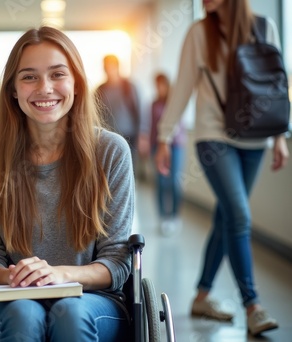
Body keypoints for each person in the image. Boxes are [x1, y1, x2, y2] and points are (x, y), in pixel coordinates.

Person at [0, 26, 134, 341]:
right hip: (10, 299)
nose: (45, 88)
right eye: (29, 77)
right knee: (25, 314)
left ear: (77, 83)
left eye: (57, 74)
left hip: (91, 302)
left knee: (70, 313)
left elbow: (116, 261)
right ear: (12, 89)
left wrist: (59, 275)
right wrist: (19, 277)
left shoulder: (111, 152)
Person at [154, 0, 289, 336]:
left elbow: (274, 84)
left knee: (226, 215)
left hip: (255, 138)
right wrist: (164, 138)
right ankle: (253, 305)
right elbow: (182, 87)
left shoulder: (264, 27)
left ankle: (201, 296)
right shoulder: (199, 32)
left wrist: (280, 135)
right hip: (214, 137)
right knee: (239, 215)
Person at [95, 54, 148, 170]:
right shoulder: (100, 89)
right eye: (105, 67)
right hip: (108, 136)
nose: (108, 70)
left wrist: (143, 135)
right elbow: (96, 115)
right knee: (109, 169)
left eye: (110, 67)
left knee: (128, 169)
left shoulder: (129, 87)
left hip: (129, 136)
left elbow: (141, 111)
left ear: (117, 67)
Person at [150, 73, 186, 236]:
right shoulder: (154, 104)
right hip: (158, 147)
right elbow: (152, 128)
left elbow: (180, 126)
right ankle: (163, 217)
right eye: (156, 85)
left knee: (174, 183)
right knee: (161, 183)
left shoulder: (175, 103)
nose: (159, 88)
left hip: (176, 146)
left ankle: (174, 215)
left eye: (161, 84)